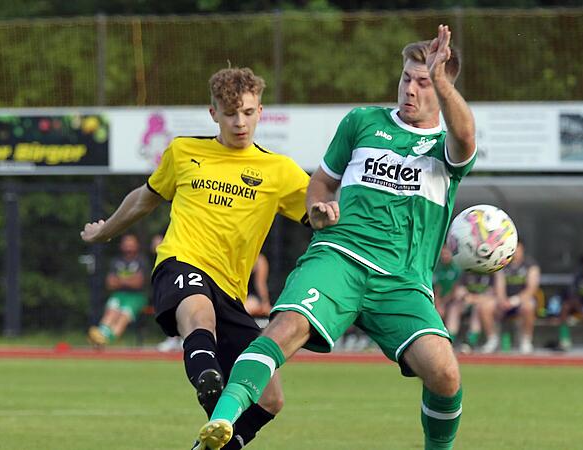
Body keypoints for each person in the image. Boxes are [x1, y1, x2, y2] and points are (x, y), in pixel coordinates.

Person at [196, 24, 476, 449]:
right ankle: (220, 424)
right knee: (283, 329)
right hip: (339, 257)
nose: (410, 90)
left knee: (444, 372)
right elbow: (321, 184)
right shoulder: (363, 122)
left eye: (424, 82)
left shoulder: (445, 147)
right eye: (406, 78)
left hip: (401, 280)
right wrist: (318, 208)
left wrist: (440, 78)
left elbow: (466, 135)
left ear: (443, 86)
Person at [80, 67, 310, 450]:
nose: (240, 122)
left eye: (248, 113)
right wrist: (105, 231)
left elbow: (319, 215)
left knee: (271, 398)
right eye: (231, 113)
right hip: (181, 263)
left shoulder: (280, 171)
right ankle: (208, 378)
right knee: (199, 315)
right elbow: (143, 198)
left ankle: (215, 444)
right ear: (213, 113)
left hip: (231, 289)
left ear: (260, 112)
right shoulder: (184, 152)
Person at [88, 234, 150, 347]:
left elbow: (138, 283)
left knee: (123, 315)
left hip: (137, 297)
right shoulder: (116, 261)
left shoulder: (141, 261)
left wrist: (120, 280)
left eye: (131, 243)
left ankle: (105, 339)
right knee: (111, 312)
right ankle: (100, 336)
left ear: (136, 245)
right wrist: (129, 280)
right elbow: (110, 283)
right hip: (119, 295)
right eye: (126, 243)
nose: (128, 246)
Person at [479, 241, 540, 354]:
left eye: (518, 249)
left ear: (523, 250)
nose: (515, 251)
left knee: (530, 305)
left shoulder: (531, 265)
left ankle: (526, 341)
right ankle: (492, 340)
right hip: (503, 302)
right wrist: (502, 300)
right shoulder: (502, 263)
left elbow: (531, 289)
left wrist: (514, 301)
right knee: (485, 306)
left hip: (520, 302)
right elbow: (499, 285)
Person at [433, 245, 466, 346]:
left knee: (453, 310)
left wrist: (443, 302)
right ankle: (436, 341)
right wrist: (438, 302)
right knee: (436, 312)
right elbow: (438, 288)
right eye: (442, 254)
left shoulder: (457, 268)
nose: (444, 256)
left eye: (446, 253)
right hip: (442, 300)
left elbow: (455, 289)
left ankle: (450, 341)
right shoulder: (438, 267)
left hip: (454, 301)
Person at [243, 254, 271, 318]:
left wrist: (265, 303)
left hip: (251, 298)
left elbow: (261, 284)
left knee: (246, 306)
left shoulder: (259, 260)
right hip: (236, 296)